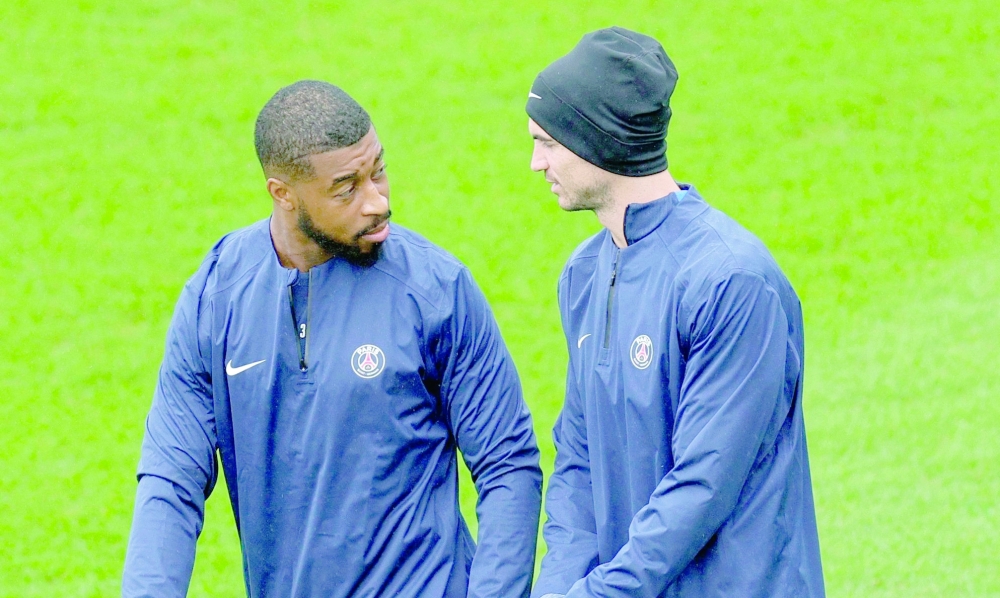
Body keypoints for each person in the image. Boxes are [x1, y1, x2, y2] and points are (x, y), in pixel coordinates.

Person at [122, 80, 542, 597]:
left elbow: (507, 464)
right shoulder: (216, 297)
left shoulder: (437, 291)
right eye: (347, 189)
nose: (377, 202)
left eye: (379, 171)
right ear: (283, 194)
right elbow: (171, 476)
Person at [525, 28, 825, 597]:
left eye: (547, 143)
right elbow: (578, 460)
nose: (535, 163)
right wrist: (558, 586)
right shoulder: (583, 275)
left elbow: (703, 483)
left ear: (597, 140)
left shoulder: (731, 280)